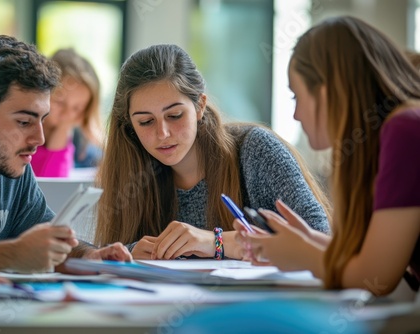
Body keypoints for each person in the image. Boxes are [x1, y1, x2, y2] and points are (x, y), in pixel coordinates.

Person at [234, 16, 420, 296]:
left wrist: (303, 253)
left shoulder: (405, 130)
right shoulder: (395, 130)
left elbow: (376, 277)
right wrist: (307, 242)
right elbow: (370, 261)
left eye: (296, 97)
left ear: (329, 90)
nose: (296, 115)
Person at [94, 44, 331, 260]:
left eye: (174, 115)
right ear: (130, 126)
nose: (162, 133)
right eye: (146, 122)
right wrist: (131, 251)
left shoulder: (255, 150)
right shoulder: (131, 169)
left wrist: (217, 241)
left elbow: (322, 242)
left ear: (200, 106)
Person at [0, 35, 131, 274]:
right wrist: (12, 254)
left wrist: (89, 256)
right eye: (23, 121)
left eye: (43, 119)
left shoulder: (12, 171)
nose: (39, 139)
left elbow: (48, 245)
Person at [31, 48, 103, 177]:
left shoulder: (84, 148)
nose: (67, 115)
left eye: (77, 108)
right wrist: (63, 128)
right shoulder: (26, 138)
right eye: (60, 102)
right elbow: (52, 183)